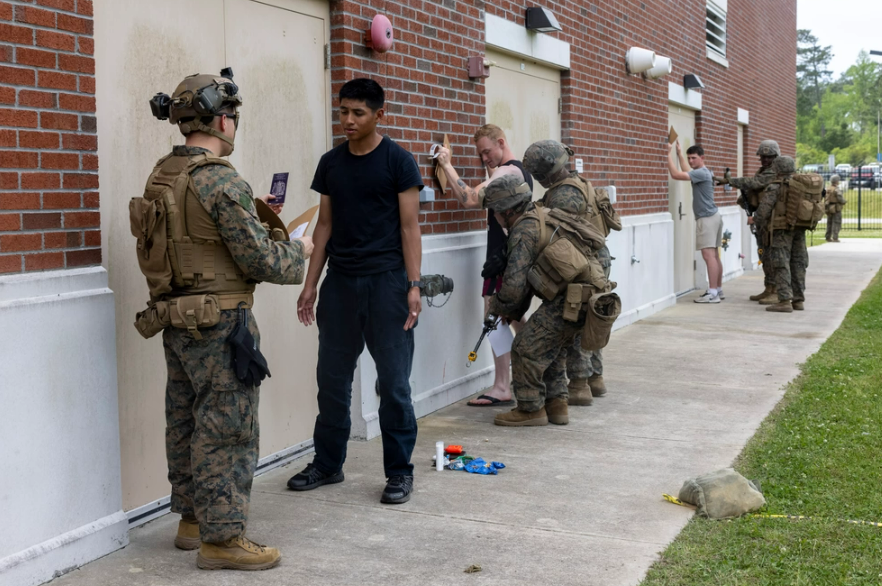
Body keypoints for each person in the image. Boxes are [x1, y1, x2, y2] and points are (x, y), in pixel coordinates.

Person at [135, 70, 312, 571]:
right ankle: (224, 538)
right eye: (232, 115)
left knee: (186, 419)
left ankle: (192, 522)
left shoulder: (162, 173)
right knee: (228, 428)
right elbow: (261, 261)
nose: (234, 124)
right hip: (221, 324)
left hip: (177, 321)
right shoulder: (219, 178)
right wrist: (298, 249)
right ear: (220, 118)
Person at [288, 78, 423, 505]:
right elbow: (324, 224)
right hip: (341, 285)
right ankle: (328, 464)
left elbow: (409, 227)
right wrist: (310, 283)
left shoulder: (399, 162)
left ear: (379, 114)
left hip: (387, 284)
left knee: (395, 384)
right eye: (343, 111)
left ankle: (399, 472)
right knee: (331, 381)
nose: (347, 119)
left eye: (357, 112)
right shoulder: (331, 163)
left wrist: (414, 286)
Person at [482, 175, 610, 427]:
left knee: (525, 347)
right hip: (591, 296)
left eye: (495, 212)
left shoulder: (523, 230)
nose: (495, 217)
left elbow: (513, 290)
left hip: (574, 299)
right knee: (551, 347)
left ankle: (530, 409)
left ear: (506, 211)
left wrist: (496, 307)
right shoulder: (543, 214)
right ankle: (556, 405)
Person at [434, 125, 531, 406]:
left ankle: (502, 386)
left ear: (502, 142)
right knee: (511, 316)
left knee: (495, 315)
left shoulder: (507, 172)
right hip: (510, 256)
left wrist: (447, 164)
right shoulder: (515, 171)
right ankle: (542, 365)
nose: (484, 158)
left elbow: (470, 199)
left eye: (487, 152)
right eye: (480, 154)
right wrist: (488, 165)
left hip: (502, 258)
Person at [523, 140, 621, 405]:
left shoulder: (563, 194)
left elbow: (560, 237)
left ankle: (579, 385)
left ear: (545, 172)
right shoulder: (580, 182)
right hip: (596, 259)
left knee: (576, 320)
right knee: (592, 317)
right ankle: (595, 379)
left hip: (581, 263)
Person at [717, 140, 781, 304]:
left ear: (776, 157)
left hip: (773, 220)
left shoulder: (774, 172)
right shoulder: (764, 171)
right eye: (763, 157)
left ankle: (778, 291)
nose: (765, 160)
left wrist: (731, 181)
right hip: (763, 220)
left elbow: (754, 183)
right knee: (764, 254)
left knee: (774, 257)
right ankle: (769, 288)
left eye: (769, 157)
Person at [667, 142, 723, 303]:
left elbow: (676, 175)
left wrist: (667, 155)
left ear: (702, 158)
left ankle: (712, 294)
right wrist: (678, 154)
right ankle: (717, 289)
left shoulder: (702, 173)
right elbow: (687, 171)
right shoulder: (702, 172)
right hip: (714, 216)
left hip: (706, 218)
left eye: (694, 158)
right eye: (689, 158)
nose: (691, 161)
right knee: (714, 255)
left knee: (708, 255)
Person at [753, 156, 808, 312]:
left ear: (777, 169)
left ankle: (784, 300)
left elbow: (763, 211)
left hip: (781, 230)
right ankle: (798, 300)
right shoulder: (802, 185)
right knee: (798, 263)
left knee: (780, 263)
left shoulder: (775, 187)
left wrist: (754, 219)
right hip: (799, 228)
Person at [825, 174, 846, 242]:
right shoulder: (836, 189)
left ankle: (828, 237)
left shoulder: (828, 188)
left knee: (829, 222)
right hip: (836, 207)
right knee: (836, 222)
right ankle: (835, 237)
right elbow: (840, 197)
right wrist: (844, 201)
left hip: (829, 207)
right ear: (836, 181)